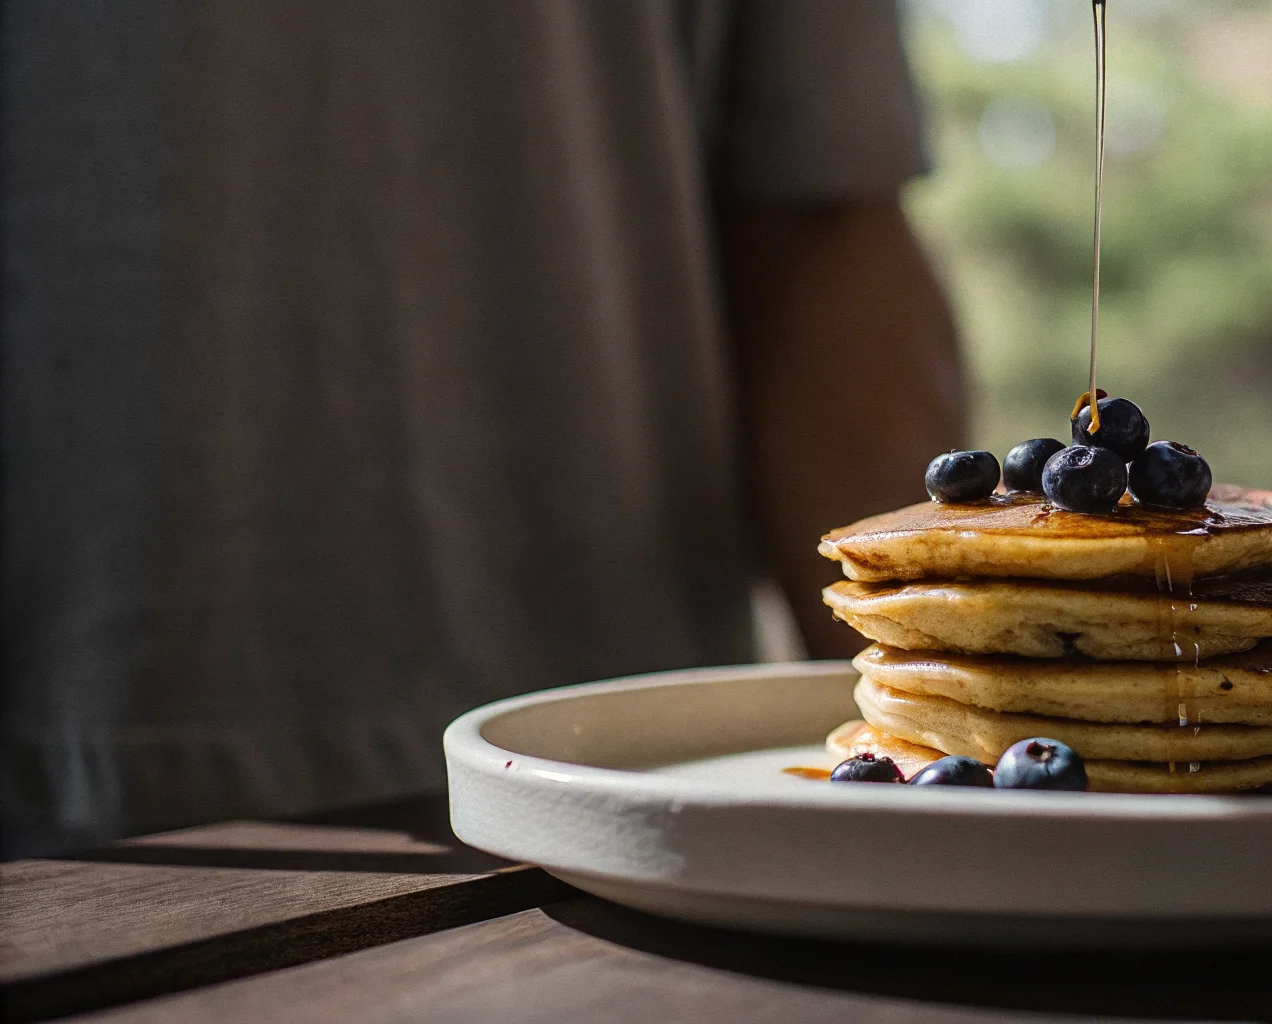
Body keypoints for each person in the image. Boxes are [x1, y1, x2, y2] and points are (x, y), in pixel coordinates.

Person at [2, 0, 963, 856]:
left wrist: (945, 764)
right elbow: (820, 229)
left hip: (633, 804)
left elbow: (820, 232)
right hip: (61, 829)